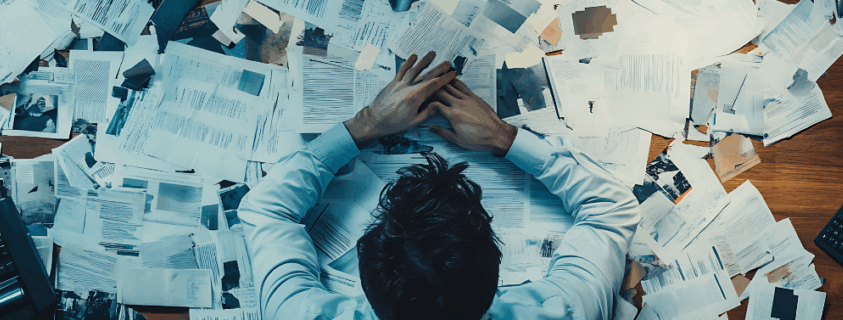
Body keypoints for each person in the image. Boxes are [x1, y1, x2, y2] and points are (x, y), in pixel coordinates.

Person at [238, 52, 640, 320]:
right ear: (498, 271)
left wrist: (367, 125)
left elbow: (266, 208)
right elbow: (611, 208)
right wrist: (503, 136)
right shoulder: (563, 312)